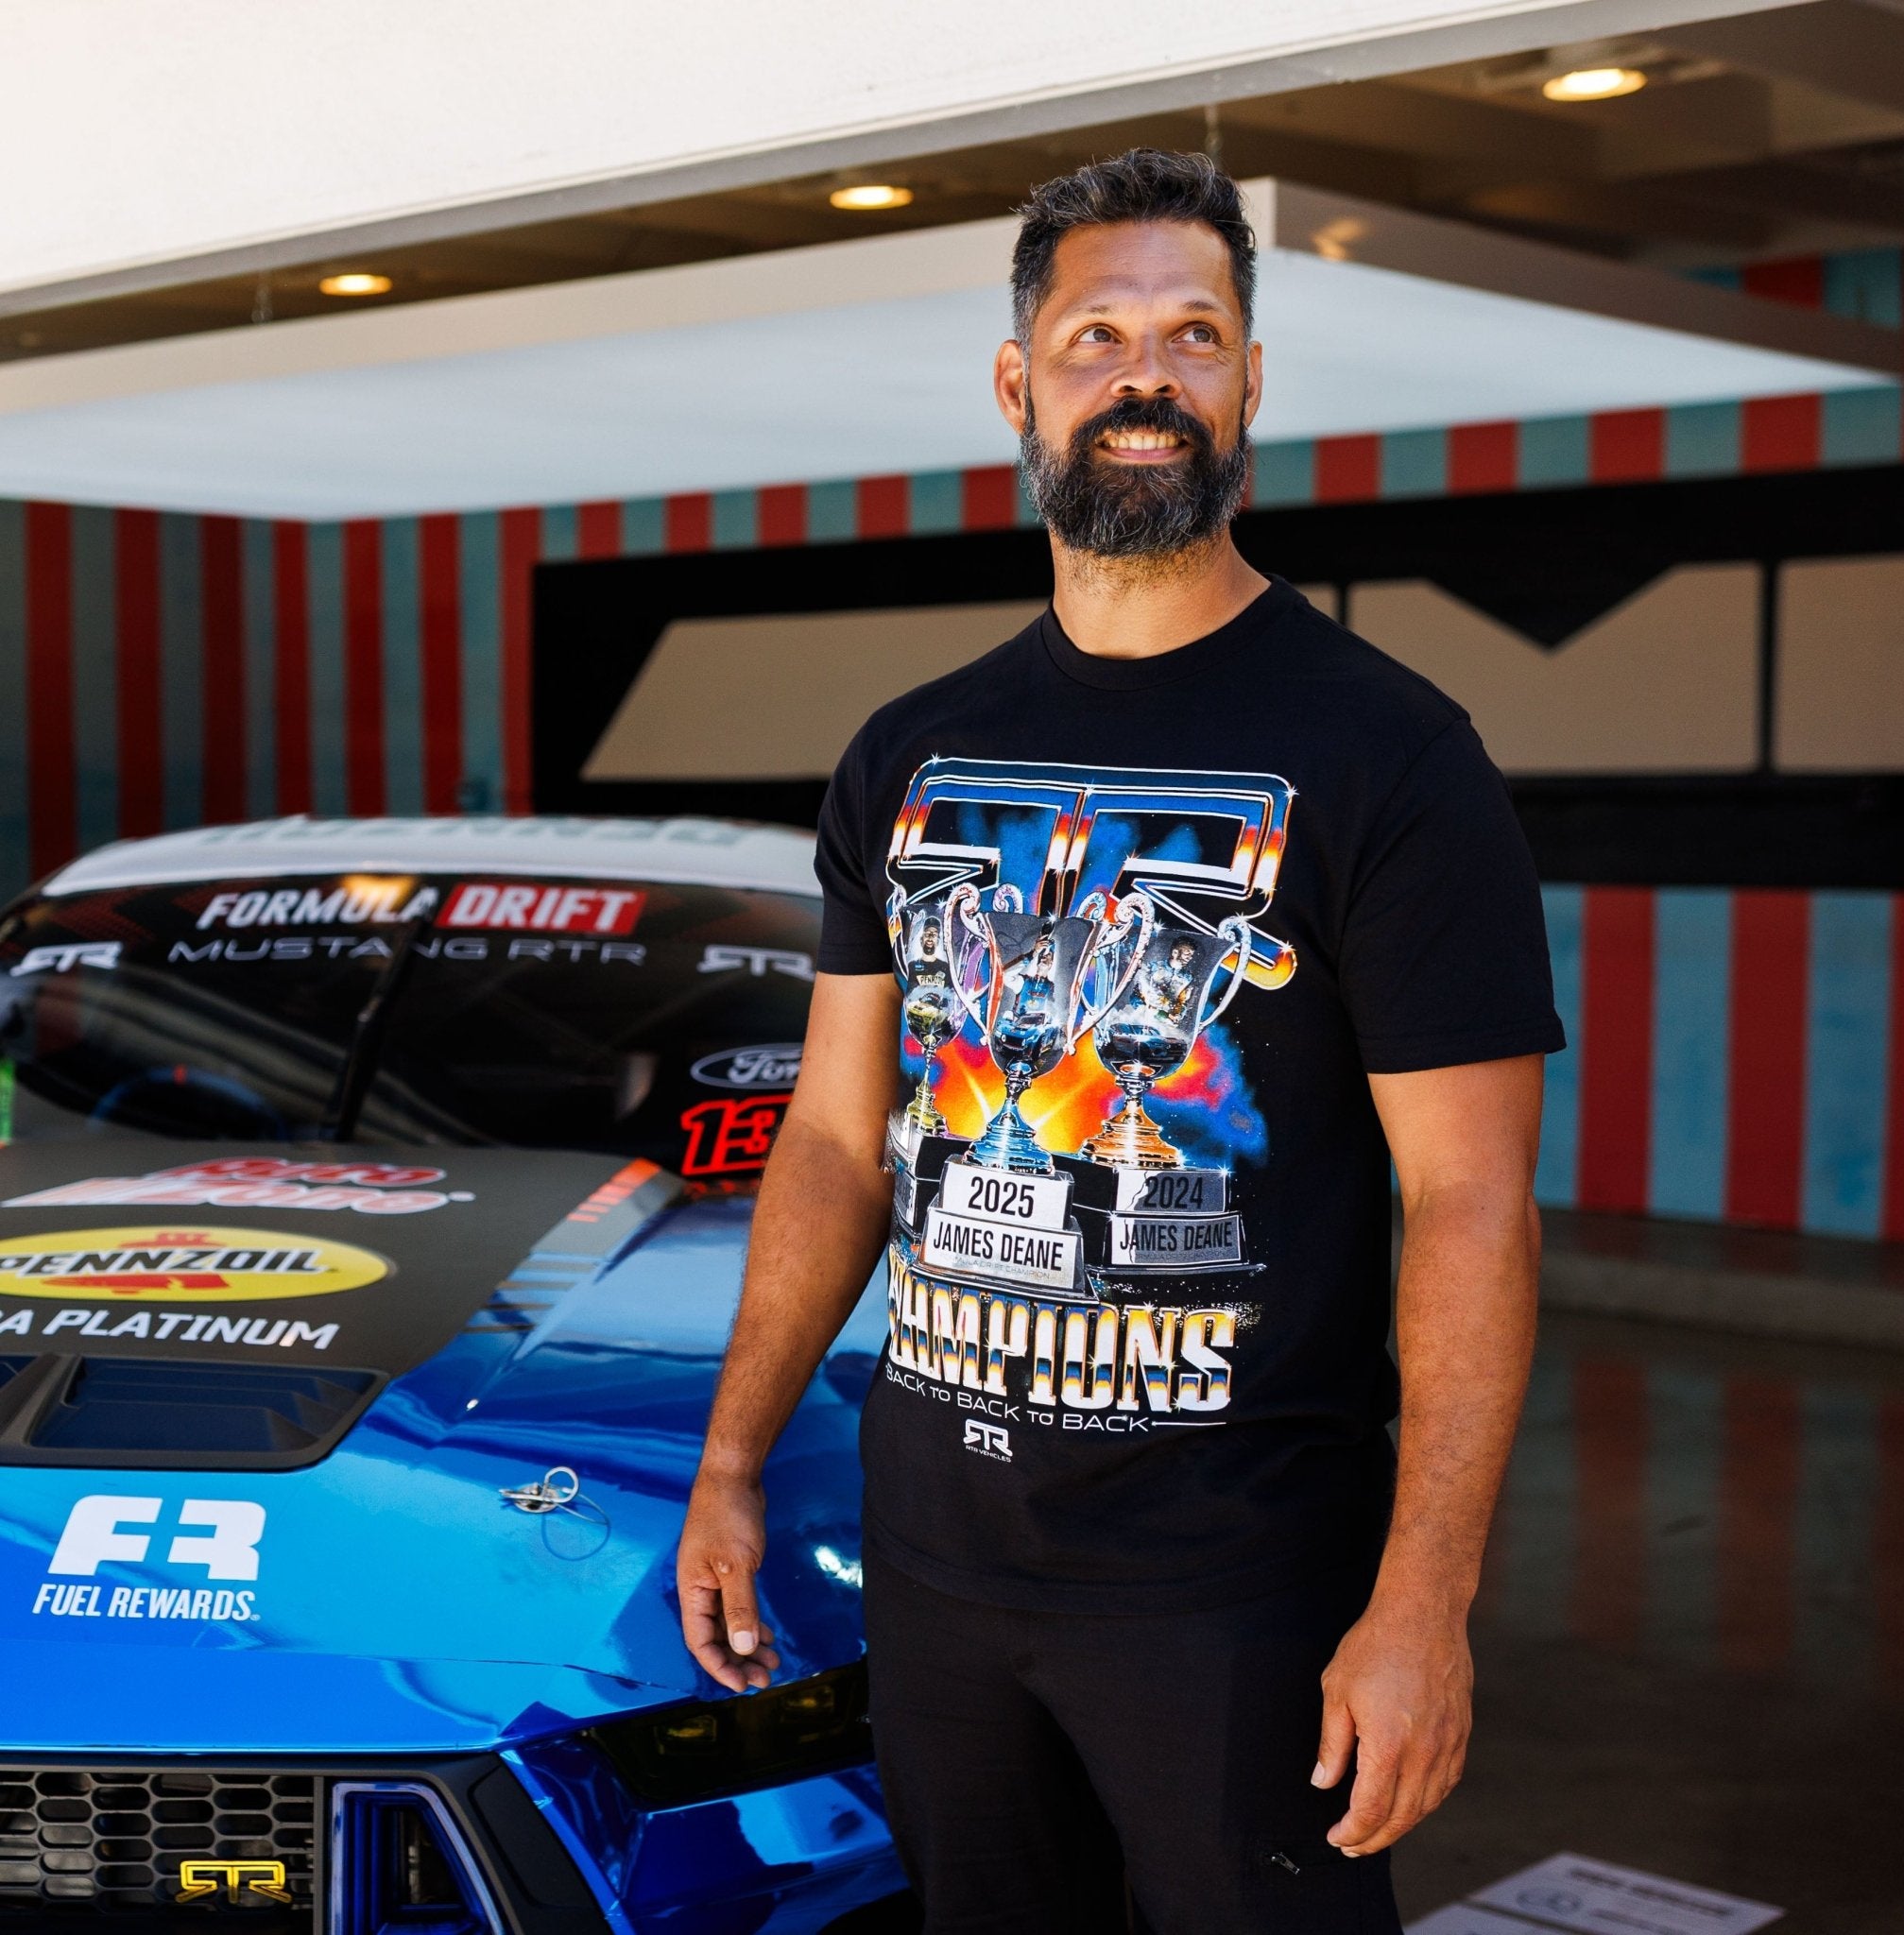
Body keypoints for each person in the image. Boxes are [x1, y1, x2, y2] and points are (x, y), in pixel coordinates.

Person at [678, 147, 1562, 1934]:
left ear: (1248, 386)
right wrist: (730, 1458)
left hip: (1241, 1591)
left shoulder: (1391, 756)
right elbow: (842, 1146)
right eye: (1096, 335)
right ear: (1020, 385)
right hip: (937, 1568)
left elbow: (1468, 1204)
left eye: (1194, 333)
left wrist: (1425, 1605)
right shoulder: (905, 753)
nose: (1145, 374)